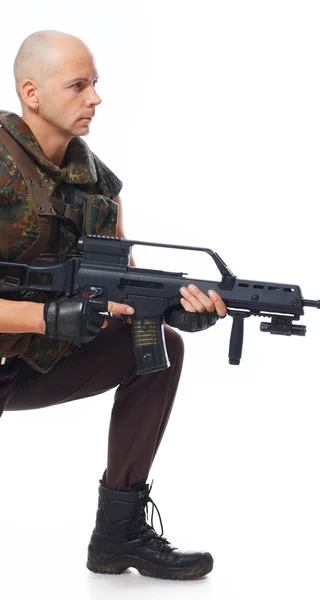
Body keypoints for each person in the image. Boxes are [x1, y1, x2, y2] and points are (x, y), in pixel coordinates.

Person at [0, 30, 227, 580]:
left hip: (22, 365)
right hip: (24, 340)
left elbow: (117, 285)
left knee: (158, 349)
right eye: (78, 86)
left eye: (95, 84)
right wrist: (49, 317)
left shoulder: (96, 183)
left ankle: (118, 534)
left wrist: (168, 308)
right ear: (32, 93)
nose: (95, 98)